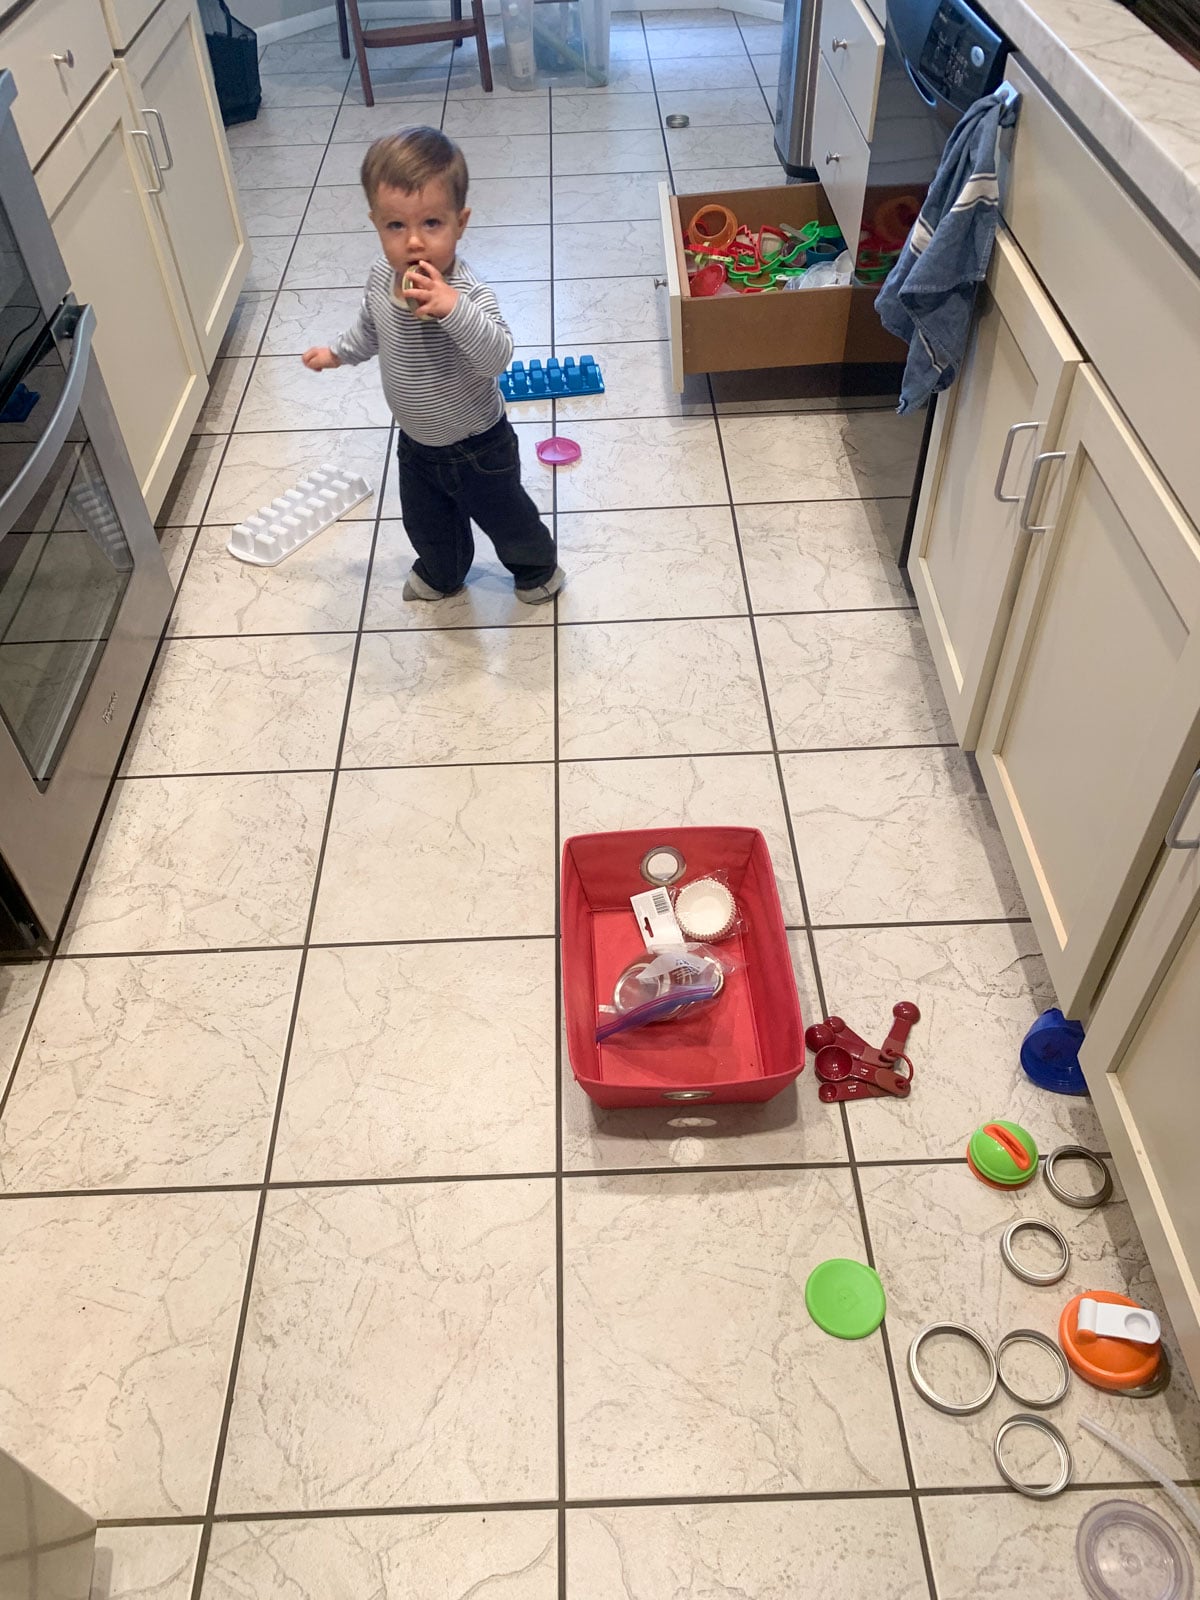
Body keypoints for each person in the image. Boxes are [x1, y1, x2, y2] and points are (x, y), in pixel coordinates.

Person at [301, 126, 564, 605]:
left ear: (460, 223)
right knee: (425, 521)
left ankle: (537, 569)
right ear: (376, 223)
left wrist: (451, 309)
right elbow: (370, 329)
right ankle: (444, 574)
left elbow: (497, 356)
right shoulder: (383, 277)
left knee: (506, 516)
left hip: (479, 444)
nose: (414, 243)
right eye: (396, 227)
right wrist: (337, 353)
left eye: (432, 224)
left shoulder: (468, 293)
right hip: (417, 442)